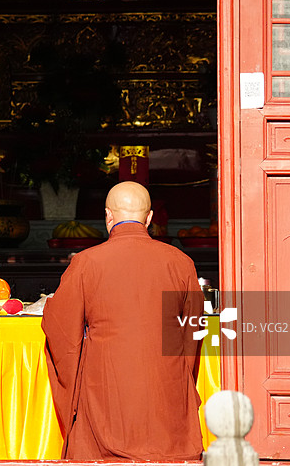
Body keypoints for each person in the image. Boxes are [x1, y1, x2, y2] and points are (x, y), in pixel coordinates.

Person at [42, 180, 203, 461]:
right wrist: (179, 379)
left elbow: (61, 329)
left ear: (108, 216)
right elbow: (192, 333)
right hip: (164, 392)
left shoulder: (87, 262)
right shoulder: (180, 262)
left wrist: (49, 308)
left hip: (106, 390)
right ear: (150, 218)